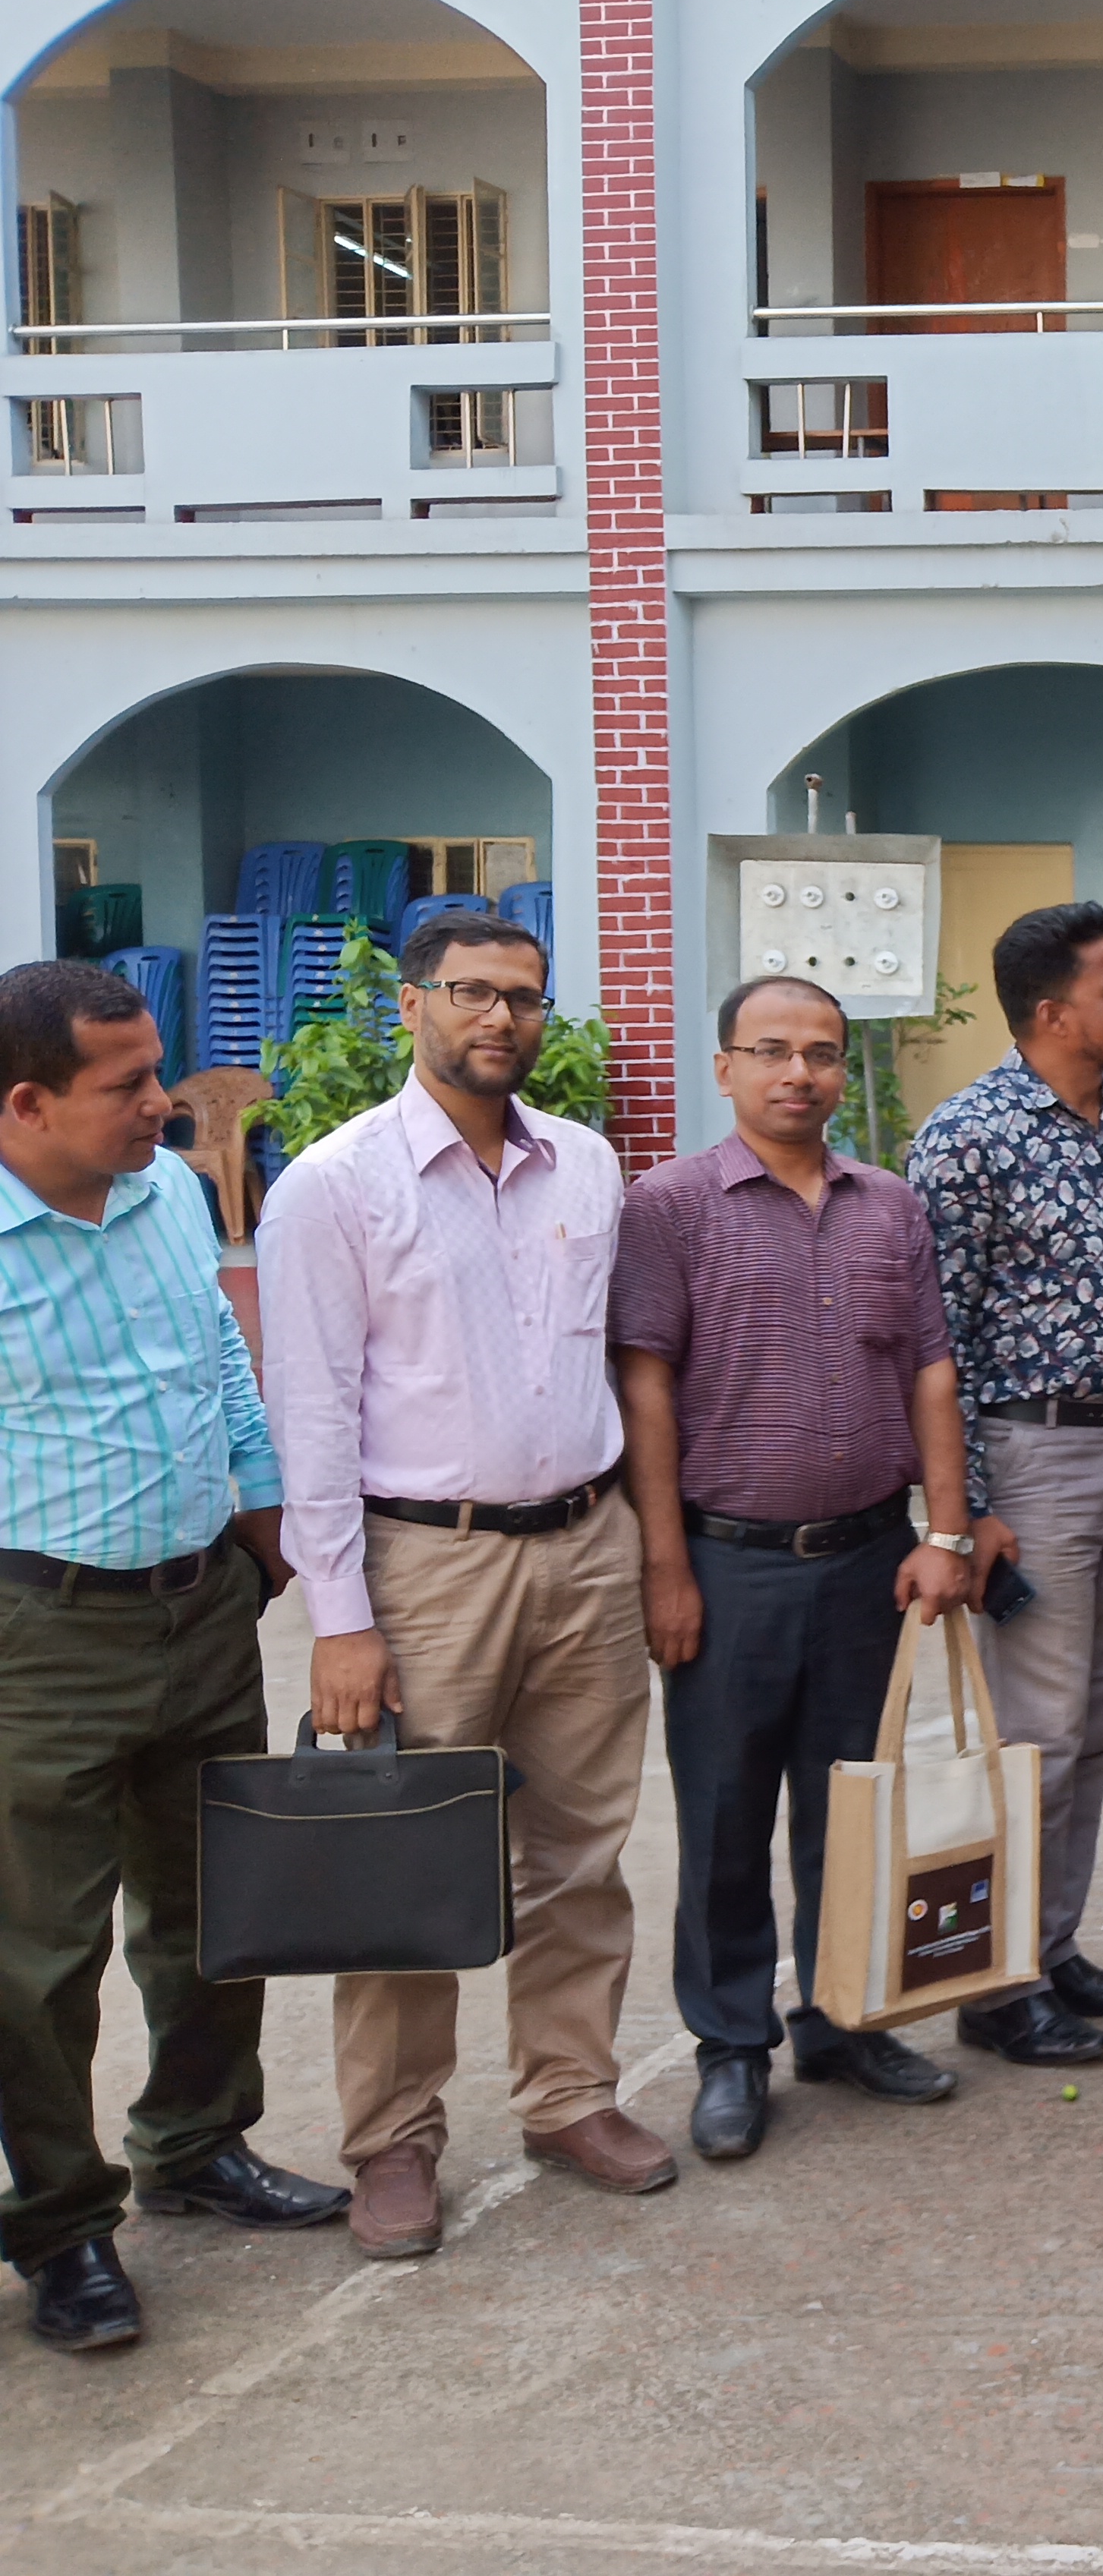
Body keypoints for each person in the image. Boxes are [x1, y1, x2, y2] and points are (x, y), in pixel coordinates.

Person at [260, 909, 668, 2255]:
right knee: (406, 1860)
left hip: (587, 1546)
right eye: (471, 992)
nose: (500, 1018)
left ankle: (570, 2096)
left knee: (581, 1854)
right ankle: (393, 2139)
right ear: (412, 1004)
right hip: (427, 1564)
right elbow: (311, 1412)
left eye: (523, 997)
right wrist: (339, 1620)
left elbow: (610, 1361)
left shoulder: (586, 1164)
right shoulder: (335, 1184)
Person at [0, 963, 342, 2353]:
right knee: (39, 1958)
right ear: (26, 1104)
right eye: (128, 1084)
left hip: (203, 1608)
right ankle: (62, 2228)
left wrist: (265, 1533)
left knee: (213, 1908)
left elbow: (219, 1365)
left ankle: (196, 2145)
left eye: (159, 1069)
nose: (166, 1103)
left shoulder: (165, 1199)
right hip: (42, 1638)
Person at [615, 976, 983, 2162]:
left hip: (870, 1560)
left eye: (822, 1053)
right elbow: (645, 1386)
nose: (799, 1073)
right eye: (771, 1050)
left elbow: (930, 1368)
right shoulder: (670, 1207)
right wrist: (666, 1567)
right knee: (725, 1817)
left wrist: (945, 1533)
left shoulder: (890, 1205)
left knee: (853, 1809)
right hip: (731, 1566)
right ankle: (732, 2048)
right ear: (724, 1066)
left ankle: (845, 2020)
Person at [904, 903, 1103, 2070]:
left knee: (1096, 1726)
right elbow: (936, 1339)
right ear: (1055, 1014)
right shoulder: (967, 1140)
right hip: (1034, 1463)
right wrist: (964, 1515)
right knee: (1038, 1737)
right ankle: (998, 1984)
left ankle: (1052, 1949)